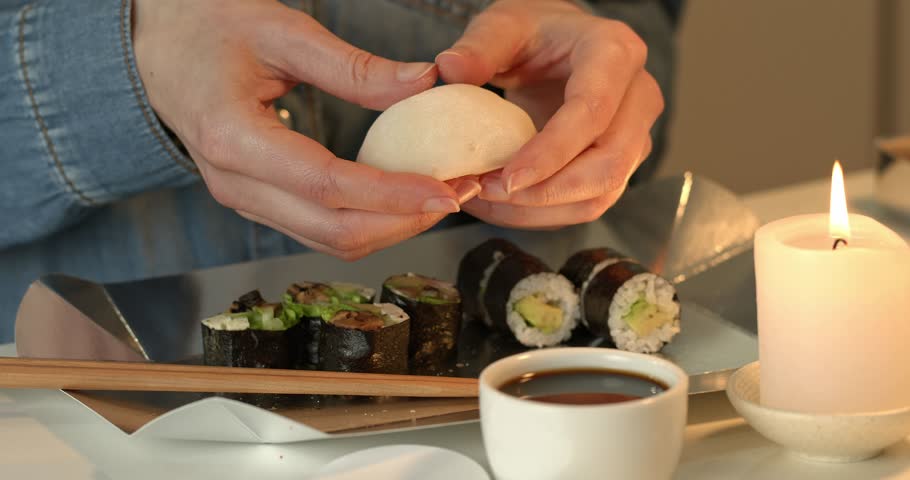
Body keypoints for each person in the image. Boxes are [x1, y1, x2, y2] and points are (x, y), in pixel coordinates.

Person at [0, 0, 679, 343]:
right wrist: (124, 59)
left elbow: (642, 21)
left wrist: (599, 50)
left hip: (513, 398)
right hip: (65, 407)